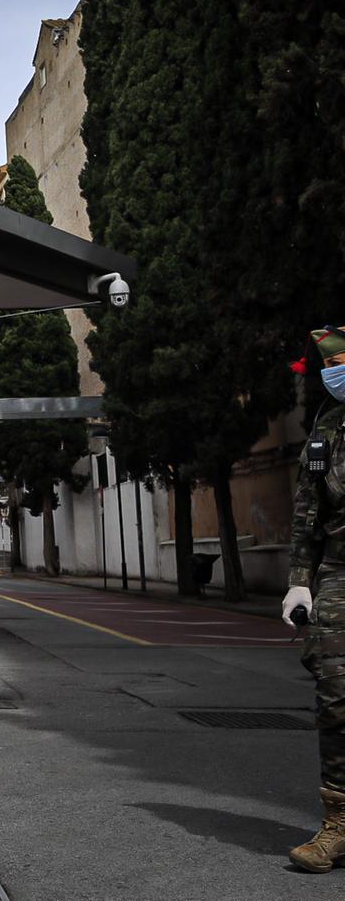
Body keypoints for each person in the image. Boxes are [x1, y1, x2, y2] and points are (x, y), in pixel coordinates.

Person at [284, 325, 345, 872]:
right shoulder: (326, 426)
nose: (336, 372)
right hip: (340, 572)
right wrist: (299, 579)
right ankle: (338, 826)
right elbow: (308, 512)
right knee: (336, 695)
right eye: (330, 365)